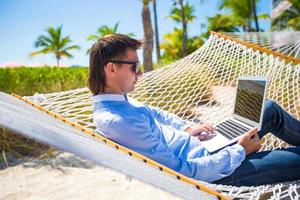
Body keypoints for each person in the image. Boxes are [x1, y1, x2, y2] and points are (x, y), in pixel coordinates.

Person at [88, 34, 300, 186]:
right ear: (111, 68)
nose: (140, 73)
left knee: (268, 109)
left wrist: (188, 128)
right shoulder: (119, 120)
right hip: (215, 173)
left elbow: (159, 115)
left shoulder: (121, 102)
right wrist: (240, 151)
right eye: (134, 67)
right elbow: (182, 172)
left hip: (204, 148)